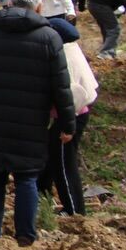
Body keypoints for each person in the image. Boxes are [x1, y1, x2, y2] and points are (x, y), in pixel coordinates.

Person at [0, 0, 76, 246]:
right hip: (31, 121)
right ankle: (25, 237)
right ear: (38, 5)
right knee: (27, 177)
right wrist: (68, 124)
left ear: (9, 3)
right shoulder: (49, 37)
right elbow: (62, 86)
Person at [39, 18, 98, 216]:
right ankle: (41, 200)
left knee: (63, 165)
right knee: (49, 160)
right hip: (70, 115)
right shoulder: (71, 49)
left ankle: (74, 211)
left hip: (69, 116)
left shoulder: (64, 56)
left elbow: (70, 94)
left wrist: (67, 126)